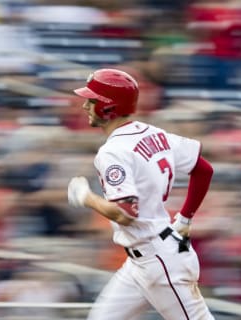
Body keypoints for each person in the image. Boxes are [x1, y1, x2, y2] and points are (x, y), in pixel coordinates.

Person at [67, 68, 215, 320]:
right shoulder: (154, 133)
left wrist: (86, 197)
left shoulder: (113, 152)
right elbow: (204, 169)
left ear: (108, 108)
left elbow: (125, 214)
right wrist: (185, 219)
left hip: (158, 259)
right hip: (142, 260)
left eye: (91, 100)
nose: (85, 106)